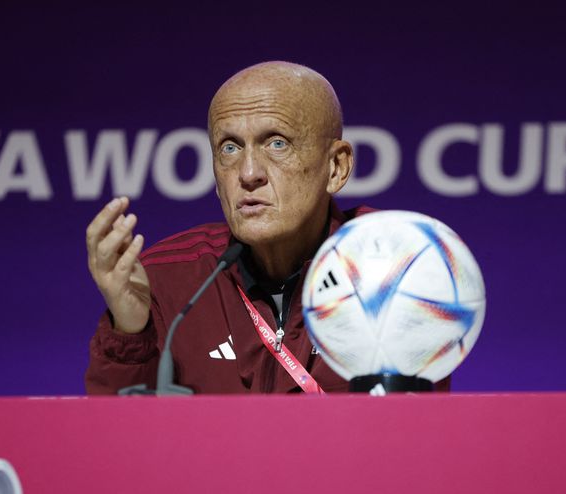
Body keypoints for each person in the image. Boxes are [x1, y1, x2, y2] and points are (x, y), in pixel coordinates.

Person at [84, 61, 446, 394]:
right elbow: (120, 442)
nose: (248, 173)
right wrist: (131, 331)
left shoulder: (391, 269)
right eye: (229, 148)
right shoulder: (170, 279)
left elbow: (413, 433)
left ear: (336, 167)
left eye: (277, 143)